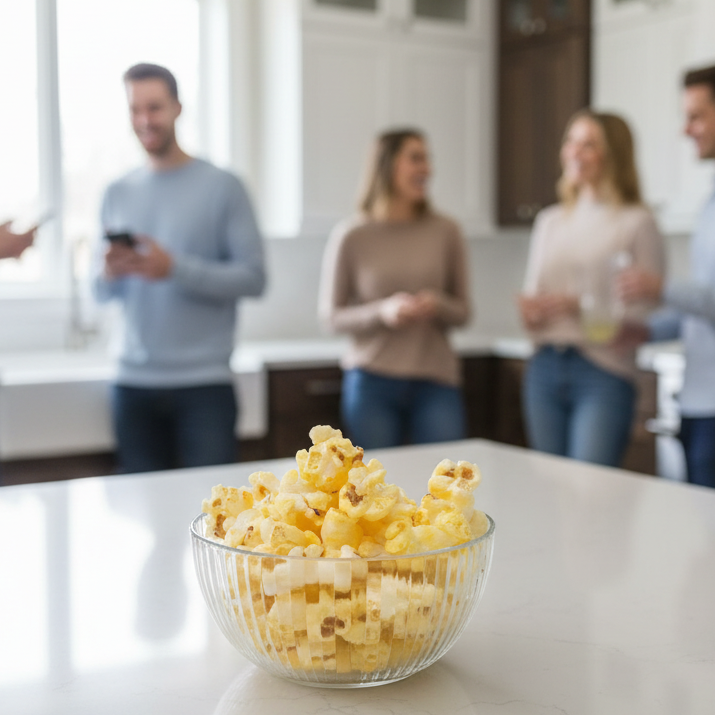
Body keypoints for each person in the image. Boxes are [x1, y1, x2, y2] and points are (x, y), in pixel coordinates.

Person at [93, 63, 266, 473]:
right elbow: (99, 294)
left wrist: (174, 268)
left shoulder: (223, 186)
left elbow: (255, 279)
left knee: (212, 519)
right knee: (141, 519)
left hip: (204, 385)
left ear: (178, 108)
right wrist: (110, 272)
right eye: (135, 109)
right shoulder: (116, 191)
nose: (144, 120)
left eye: (154, 107)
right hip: (132, 384)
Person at [518, 110, 665, 467]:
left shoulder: (637, 222)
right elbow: (534, 294)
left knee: (591, 489)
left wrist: (578, 307)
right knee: (549, 488)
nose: (574, 152)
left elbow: (647, 316)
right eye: (571, 142)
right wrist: (532, 312)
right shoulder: (549, 221)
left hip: (603, 370)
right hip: (545, 365)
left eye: (589, 145)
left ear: (612, 154)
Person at [319, 128, 471, 449]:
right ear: (387, 166)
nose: (427, 169)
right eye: (416, 158)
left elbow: (464, 312)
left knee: (446, 485)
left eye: (427, 159)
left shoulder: (447, 231)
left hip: (436, 379)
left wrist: (437, 304)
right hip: (371, 381)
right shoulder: (352, 234)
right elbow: (330, 317)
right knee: (377, 488)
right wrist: (382, 311)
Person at [618, 64, 715, 488]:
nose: (686, 130)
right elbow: (701, 315)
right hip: (698, 398)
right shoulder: (710, 204)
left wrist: (661, 288)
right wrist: (647, 330)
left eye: (696, 116)